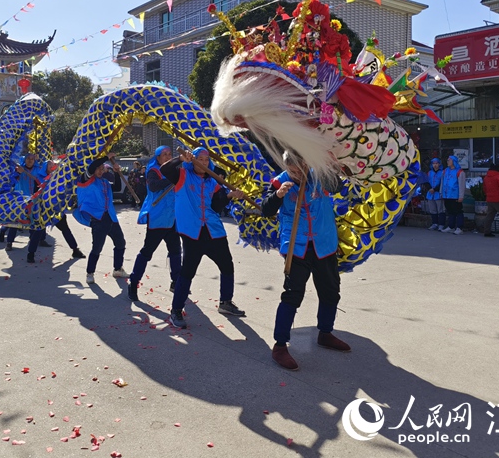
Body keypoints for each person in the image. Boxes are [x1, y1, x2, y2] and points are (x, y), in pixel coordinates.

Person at [260, 154, 349, 370]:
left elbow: (336, 187)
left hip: (323, 242)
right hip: (297, 246)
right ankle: (280, 346)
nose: (296, 173)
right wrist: (279, 195)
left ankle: (325, 333)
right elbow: (266, 209)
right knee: (292, 295)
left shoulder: (318, 175)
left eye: (300, 169)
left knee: (330, 291)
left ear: (305, 163)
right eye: (292, 170)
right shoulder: (279, 181)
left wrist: (326, 168)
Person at [160, 147, 246, 329]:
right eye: (200, 159)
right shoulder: (183, 175)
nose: (204, 162)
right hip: (193, 233)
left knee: (227, 265)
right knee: (187, 272)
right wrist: (181, 159)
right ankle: (176, 310)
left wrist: (230, 195)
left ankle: (225, 302)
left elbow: (216, 205)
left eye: (206, 160)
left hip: (214, 230)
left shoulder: (213, 182)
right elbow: (165, 170)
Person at [127, 146, 182, 301]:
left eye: (170, 154)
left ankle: (176, 281)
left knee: (176, 251)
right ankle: (133, 282)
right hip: (157, 218)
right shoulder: (153, 170)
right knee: (147, 252)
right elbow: (153, 186)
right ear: (157, 157)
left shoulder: (175, 171)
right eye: (164, 154)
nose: (167, 156)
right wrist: (171, 179)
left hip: (172, 218)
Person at [75, 153, 128, 283]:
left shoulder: (104, 182)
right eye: (98, 168)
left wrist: (116, 172)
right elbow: (91, 168)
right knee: (97, 248)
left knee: (120, 243)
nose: (99, 171)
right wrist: (106, 157)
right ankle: (90, 273)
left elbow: (115, 187)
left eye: (101, 168)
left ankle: (117, 269)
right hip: (97, 219)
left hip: (110, 218)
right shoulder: (85, 180)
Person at [4, 153, 49, 263]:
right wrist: (17, 173)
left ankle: (40, 239)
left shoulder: (37, 170)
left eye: (32, 159)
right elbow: (12, 181)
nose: (30, 160)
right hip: (20, 198)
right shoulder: (19, 169)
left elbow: (42, 180)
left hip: (34, 199)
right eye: (28, 158)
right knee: (15, 221)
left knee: (37, 220)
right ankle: (9, 242)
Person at [440, 155, 466, 235]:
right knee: (450, 211)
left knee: (458, 211)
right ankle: (451, 226)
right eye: (447, 160)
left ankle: (459, 227)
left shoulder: (459, 172)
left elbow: (461, 185)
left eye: (449, 160)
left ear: (453, 161)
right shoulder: (445, 171)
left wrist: (461, 196)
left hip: (455, 195)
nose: (447, 162)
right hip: (447, 195)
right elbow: (442, 182)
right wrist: (441, 192)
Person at [425, 158, 446, 231]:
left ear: (439, 164)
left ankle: (441, 224)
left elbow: (442, 183)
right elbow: (426, 181)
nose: (435, 165)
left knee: (440, 210)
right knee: (432, 210)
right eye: (434, 163)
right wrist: (430, 188)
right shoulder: (429, 173)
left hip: (438, 193)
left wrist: (435, 189)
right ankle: (434, 223)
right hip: (430, 193)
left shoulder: (442, 172)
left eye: (437, 163)